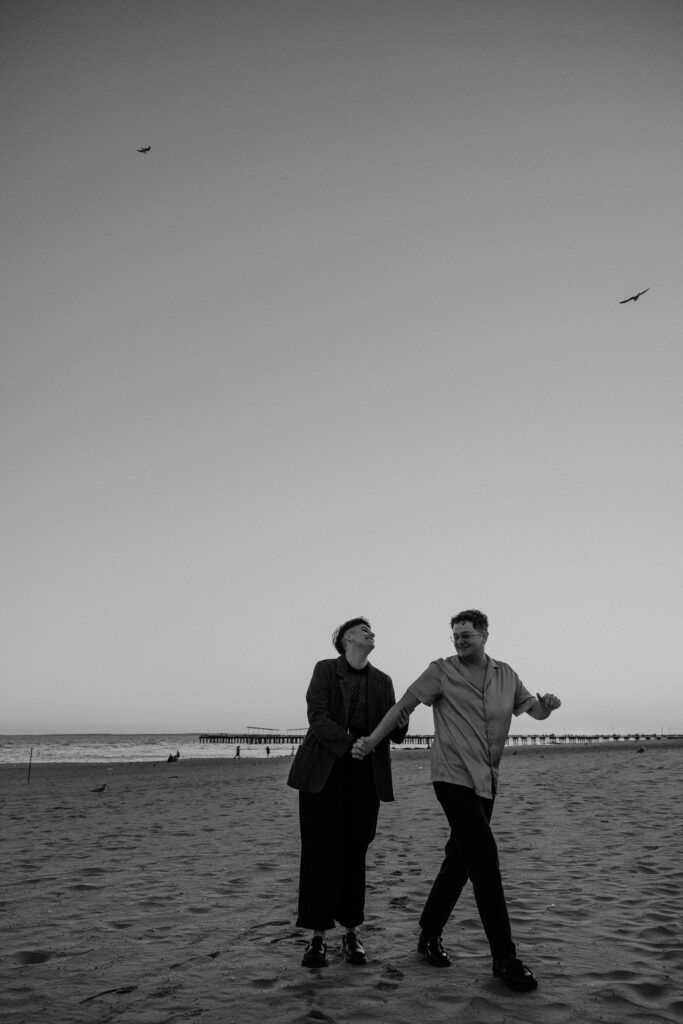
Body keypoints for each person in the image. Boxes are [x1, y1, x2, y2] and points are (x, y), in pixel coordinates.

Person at [352, 609, 561, 992]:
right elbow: (402, 707)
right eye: (456, 636)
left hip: (487, 780)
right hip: (451, 777)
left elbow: (534, 710)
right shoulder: (441, 671)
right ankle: (504, 958)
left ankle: (428, 932)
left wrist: (547, 703)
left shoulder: (506, 675)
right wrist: (371, 741)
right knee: (484, 859)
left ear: (484, 635)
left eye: (467, 635)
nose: (460, 641)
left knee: (460, 860)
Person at [287, 617, 409, 969]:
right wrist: (349, 744)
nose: (372, 633)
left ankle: (352, 932)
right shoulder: (325, 670)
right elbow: (317, 715)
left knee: (355, 851)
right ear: (347, 639)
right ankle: (317, 938)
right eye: (364, 629)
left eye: (372, 631)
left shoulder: (383, 681)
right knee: (318, 852)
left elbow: (393, 731)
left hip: (365, 772)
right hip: (324, 770)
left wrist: (401, 724)